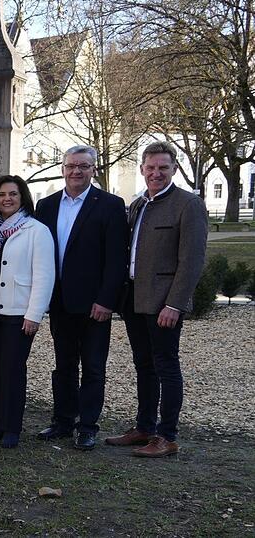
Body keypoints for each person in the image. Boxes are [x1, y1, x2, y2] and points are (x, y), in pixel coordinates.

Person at [107, 141, 208, 458]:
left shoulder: (188, 205)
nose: (156, 173)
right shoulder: (139, 204)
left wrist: (175, 304)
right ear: (142, 169)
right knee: (144, 366)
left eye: (163, 167)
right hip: (135, 300)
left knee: (166, 367)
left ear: (174, 169)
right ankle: (145, 427)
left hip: (164, 303)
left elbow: (191, 261)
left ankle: (167, 436)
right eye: (150, 168)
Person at [34, 145, 128, 450]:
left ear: (93, 170)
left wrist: (106, 300)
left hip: (93, 304)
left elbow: (116, 259)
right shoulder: (46, 206)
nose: (77, 171)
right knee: (63, 365)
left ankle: (87, 426)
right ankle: (63, 421)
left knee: (93, 367)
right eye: (72, 166)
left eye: (84, 166)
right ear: (63, 169)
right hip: (59, 301)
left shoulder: (111, 205)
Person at [0, 176, 55, 448]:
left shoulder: (35, 230)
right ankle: (0, 424)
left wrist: (34, 314)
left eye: (12, 194)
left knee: (13, 369)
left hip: (19, 312)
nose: (6, 199)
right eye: (1, 194)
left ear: (22, 197)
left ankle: (13, 427)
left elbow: (45, 276)